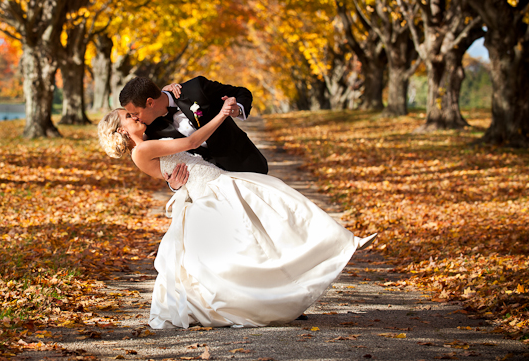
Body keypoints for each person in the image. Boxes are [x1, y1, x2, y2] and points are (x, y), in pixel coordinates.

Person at [97, 98, 377, 329]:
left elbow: (171, 156)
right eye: (128, 116)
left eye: (133, 112)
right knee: (251, 242)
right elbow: (192, 143)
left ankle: (339, 242)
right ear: (121, 131)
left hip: (220, 182)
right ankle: (280, 292)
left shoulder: (152, 134)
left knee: (274, 204)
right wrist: (221, 115)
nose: (134, 115)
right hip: (208, 193)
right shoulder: (142, 149)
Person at [119, 76, 268, 182]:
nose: (135, 118)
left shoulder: (196, 89)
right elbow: (166, 167)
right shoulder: (151, 132)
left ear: (150, 102)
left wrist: (238, 109)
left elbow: (241, 92)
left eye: (135, 113)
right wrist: (174, 185)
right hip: (210, 186)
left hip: (246, 163)